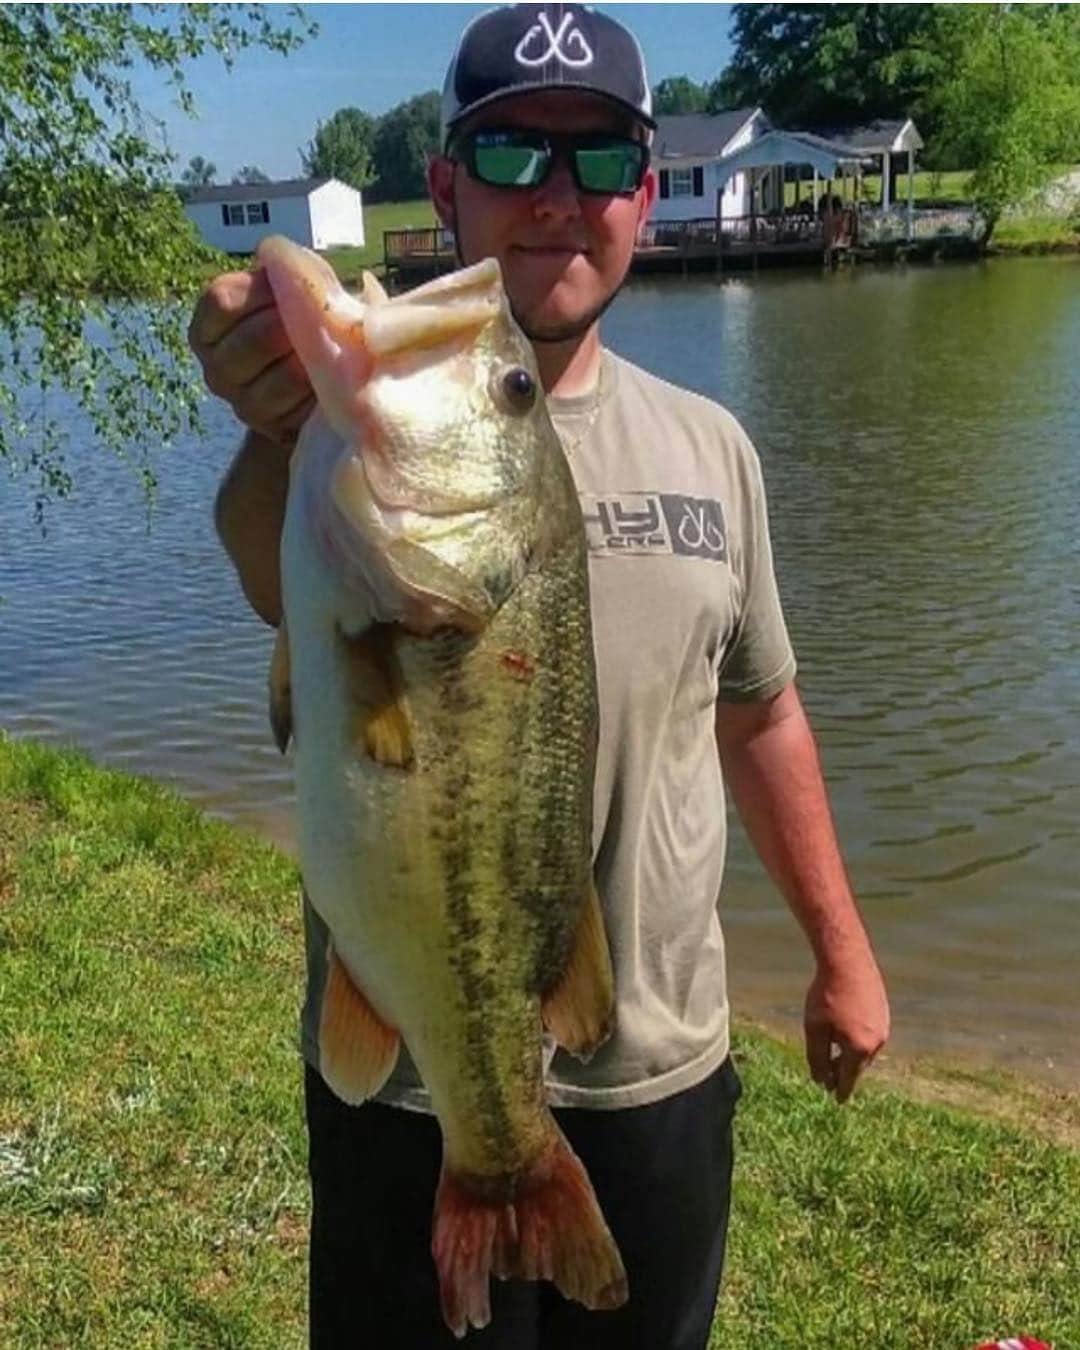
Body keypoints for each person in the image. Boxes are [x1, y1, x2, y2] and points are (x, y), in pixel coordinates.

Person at [189, 6, 890, 1347]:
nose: (555, 201)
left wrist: (843, 954)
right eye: (511, 156)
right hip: (413, 1082)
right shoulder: (338, 464)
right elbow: (269, 568)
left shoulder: (714, 447)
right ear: (446, 185)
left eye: (601, 160)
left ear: (644, 187)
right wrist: (276, 407)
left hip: (657, 1067)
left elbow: (765, 711)